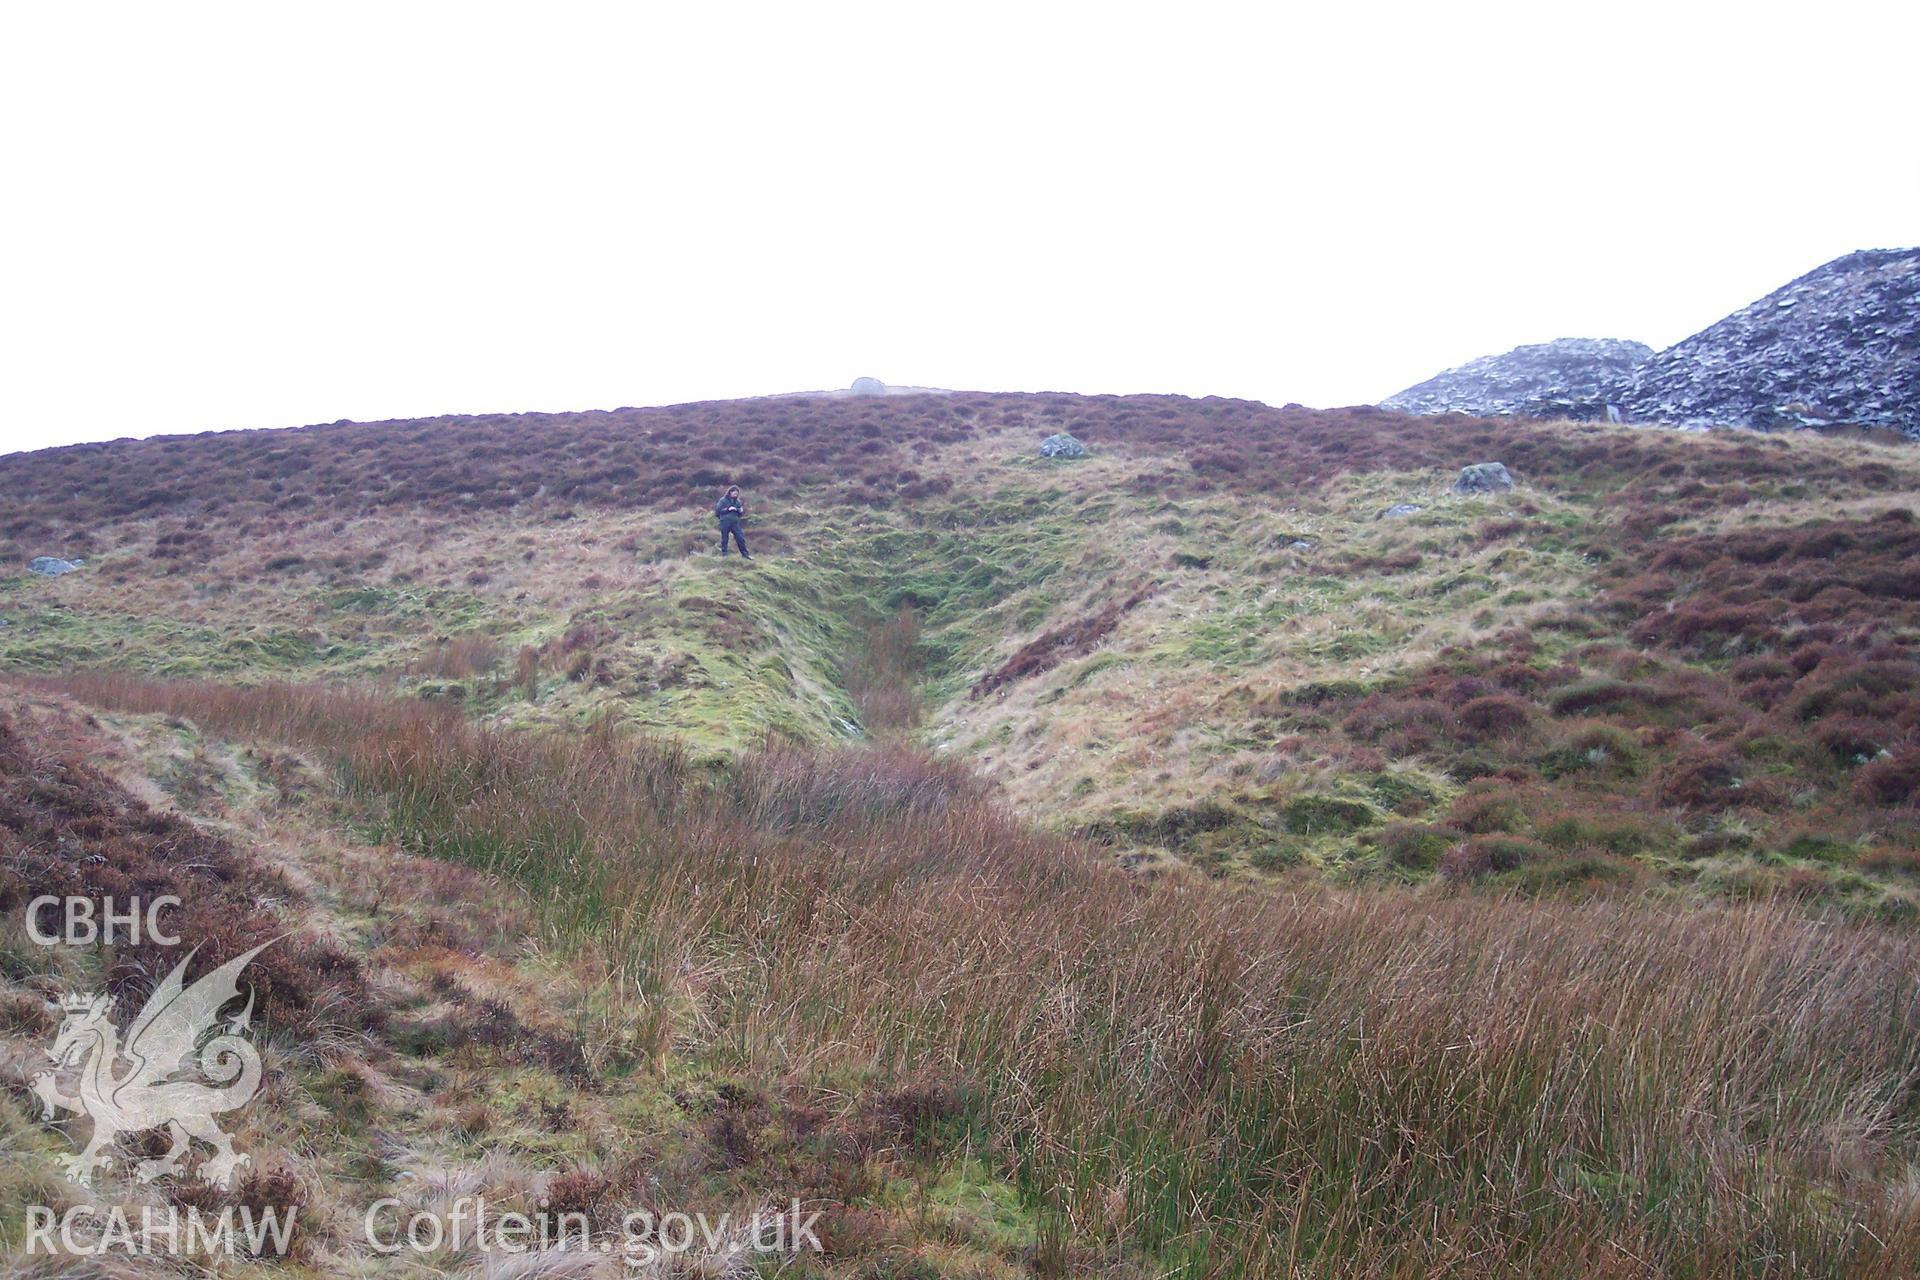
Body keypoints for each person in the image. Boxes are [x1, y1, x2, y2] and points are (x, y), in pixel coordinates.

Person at [714, 485, 751, 559]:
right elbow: (717, 511)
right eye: (734, 493)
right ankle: (724, 555)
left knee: (740, 538)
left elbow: (740, 514)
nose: (735, 495)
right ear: (730, 492)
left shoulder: (738, 501)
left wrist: (740, 511)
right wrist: (728, 509)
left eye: (737, 493)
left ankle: (745, 555)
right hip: (725, 522)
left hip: (735, 522)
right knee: (725, 539)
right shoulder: (723, 500)